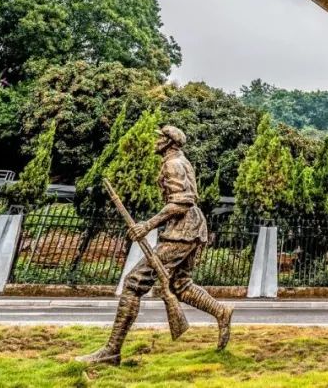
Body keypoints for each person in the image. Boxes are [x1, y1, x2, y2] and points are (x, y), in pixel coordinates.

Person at [77, 125, 233, 365]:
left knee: (133, 283)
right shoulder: (178, 161)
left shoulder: (174, 164)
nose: (155, 140)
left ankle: (111, 351)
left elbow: (183, 201)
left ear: (170, 142)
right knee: (181, 285)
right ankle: (221, 311)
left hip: (183, 231)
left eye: (160, 137)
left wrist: (148, 225)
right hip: (188, 229)